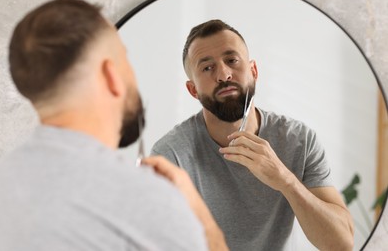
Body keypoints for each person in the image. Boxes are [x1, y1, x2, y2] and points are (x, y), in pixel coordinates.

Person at [0, 0, 229, 251]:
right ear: (111, 74)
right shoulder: (147, 199)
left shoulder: (5, 182)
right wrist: (200, 217)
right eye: (124, 58)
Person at [151, 19, 354, 250]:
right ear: (193, 89)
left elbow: (342, 243)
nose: (224, 74)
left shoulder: (300, 141)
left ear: (253, 70)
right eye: (207, 67)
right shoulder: (171, 154)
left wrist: (285, 180)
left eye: (232, 60)